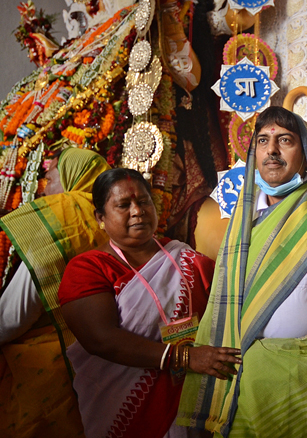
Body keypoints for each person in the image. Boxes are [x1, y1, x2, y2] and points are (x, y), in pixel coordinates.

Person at [178, 106, 307, 437]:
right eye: (263, 141)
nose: (272, 150)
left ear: (306, 151)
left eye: (285, 140)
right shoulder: (244, 221)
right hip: (252, 387)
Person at [58, 168, 241, 438]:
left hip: (195, 395)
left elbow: (230, 302)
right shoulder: (88, 269)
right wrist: (186, 357)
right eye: (123, 205)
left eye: (144, 201)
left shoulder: (184, 257)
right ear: (100, 218)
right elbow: (101, 339)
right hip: (129, 411)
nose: (138, 211)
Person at [0, 147, 110, 437]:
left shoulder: (62, 219)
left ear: (72, 178)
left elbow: (14, 316)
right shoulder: (114, 220)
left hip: (45, 366)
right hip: (102, 363)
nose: (44, 188)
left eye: (50, 178)